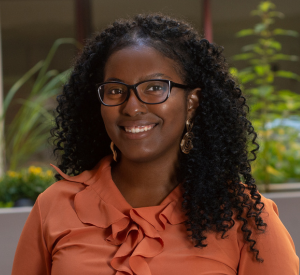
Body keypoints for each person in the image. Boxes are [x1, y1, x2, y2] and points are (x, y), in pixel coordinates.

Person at [12, 13, 299, 275]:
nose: (132, 107)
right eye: (115, 90)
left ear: (191, 103)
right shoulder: (54, 206)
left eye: (155, 87)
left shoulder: (246, 216)